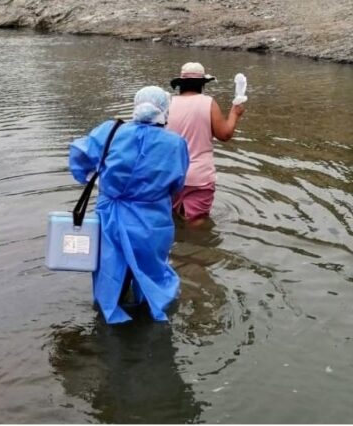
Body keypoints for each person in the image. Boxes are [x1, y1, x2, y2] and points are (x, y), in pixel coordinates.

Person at [68, 86, 189, 324]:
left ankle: (109, 310)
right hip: (152, 217)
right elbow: (177, 183)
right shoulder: (175, 143)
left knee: (110, 265)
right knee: (151, 266)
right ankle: (150, 309)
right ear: (165, 110)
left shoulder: (111, 131)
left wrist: (92, 177)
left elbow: (80, 154)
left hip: (111, 212)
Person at [168, 62, 246, 226]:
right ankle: (199, 243)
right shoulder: (208, 102)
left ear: (180, 84)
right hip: (199, 177)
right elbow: (224, 135)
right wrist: (234, 113)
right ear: (202, 85)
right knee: (196, 223)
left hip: (171, 174)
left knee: (172, 218)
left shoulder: (167, 103)